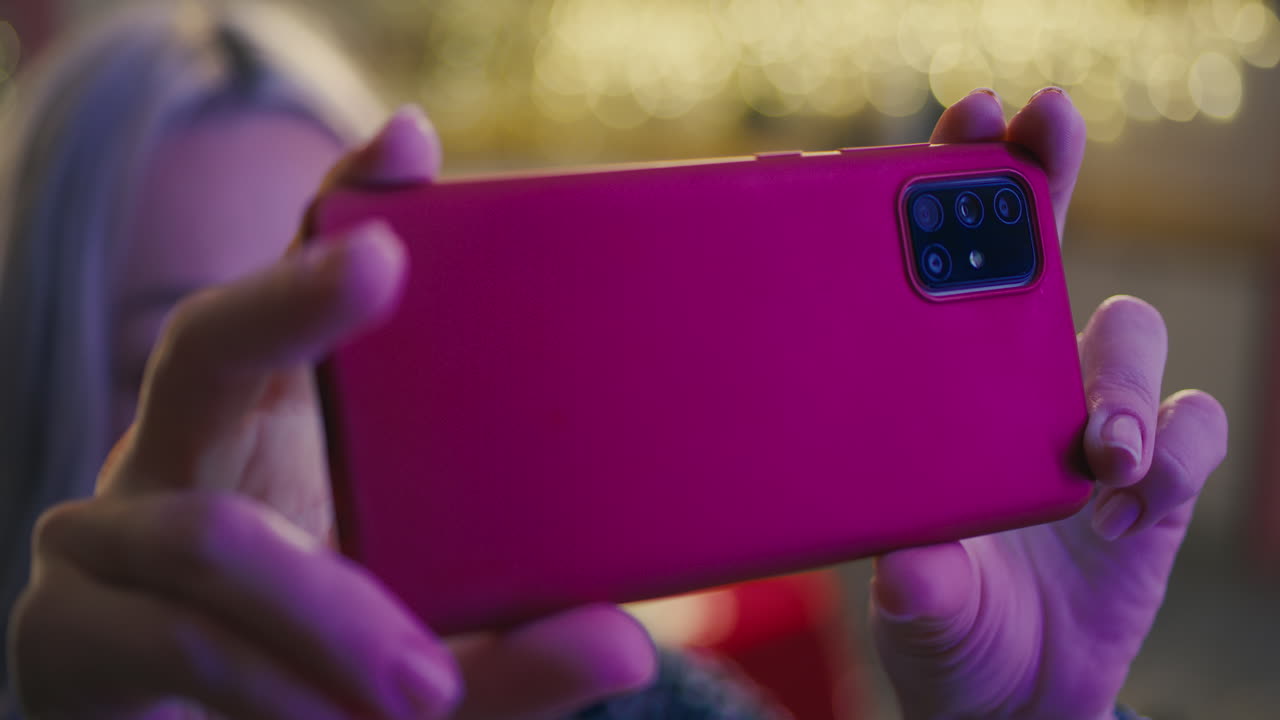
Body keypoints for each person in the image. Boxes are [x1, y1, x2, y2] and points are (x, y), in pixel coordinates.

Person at [0, 3, 1227, 719]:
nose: (300, 443)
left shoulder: (618, 696)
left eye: (345, 350)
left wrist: (1034, 718)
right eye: (189, 360)